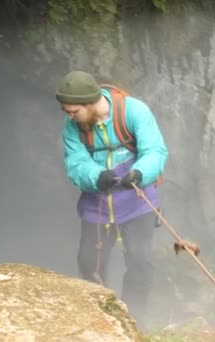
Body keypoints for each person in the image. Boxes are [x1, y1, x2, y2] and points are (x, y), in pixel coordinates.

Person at [55, 70, 168, 329]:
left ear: (91, 102)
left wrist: (140, 173)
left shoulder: (134, 112)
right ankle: (100, 323)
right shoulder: (73, 127)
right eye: (67, 111)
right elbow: (76, 162)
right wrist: (97, 177)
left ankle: (134, 322)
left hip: (138, 202)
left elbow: (155, 150)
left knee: (140, 262)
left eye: (74, 111)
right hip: (98, 206)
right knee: (89, 264)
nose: (69, 117)